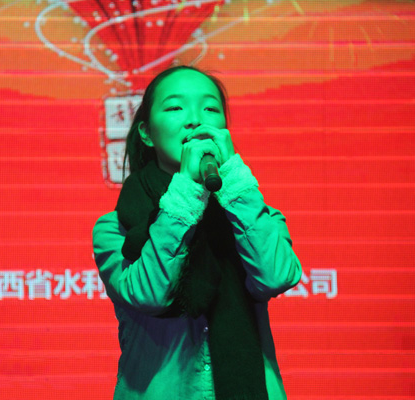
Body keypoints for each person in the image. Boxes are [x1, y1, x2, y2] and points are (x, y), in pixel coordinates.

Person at [92, 65, 302, 400]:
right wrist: (186, 194)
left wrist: (234, 179)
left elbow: (277, 277)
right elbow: (149, 295)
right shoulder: (114, 229)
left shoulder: (253, 214)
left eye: (210, 109)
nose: (195, 120)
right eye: (175, 107)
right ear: (146, 133)